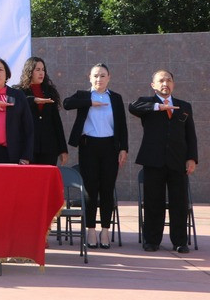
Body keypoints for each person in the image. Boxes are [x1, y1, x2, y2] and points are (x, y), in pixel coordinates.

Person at [129, 70, 198, 254]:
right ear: (153, 85)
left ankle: (180, 241)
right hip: (153, 162)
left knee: (179, 203)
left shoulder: (184, 106)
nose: (165, 83)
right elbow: (132, 106)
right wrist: (157, 108)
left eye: (168, 80)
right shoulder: (147, 103)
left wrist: (192, 158)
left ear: (173, 84)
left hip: (178, 162)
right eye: (161, 80)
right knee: (153, 202)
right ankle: (151, 241)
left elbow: (190, 135)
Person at [63, 63, 128, 250]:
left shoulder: (115, 98)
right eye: (95, 76)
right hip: (88, 146)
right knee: (90, 189)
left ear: (109, 77)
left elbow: (122, 126)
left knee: (107, 189)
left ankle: (105, 230)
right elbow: (67, 103)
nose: (99, 79)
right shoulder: (84, 95)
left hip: (110, 147)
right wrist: (89, 102)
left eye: (103, 76)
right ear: (89, 78)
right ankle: (91, 229)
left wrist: (123, 148)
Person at [15, 56, 68, 166]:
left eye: (43, 69)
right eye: (37, 70)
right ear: (29, 71)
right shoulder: (19, 91)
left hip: (49, 147)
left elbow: (56, 122)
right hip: (28, 147)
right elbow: (16, 104)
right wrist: (33, 100)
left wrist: (63, 149)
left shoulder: (50, 91)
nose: (41, 73)